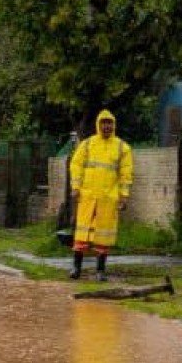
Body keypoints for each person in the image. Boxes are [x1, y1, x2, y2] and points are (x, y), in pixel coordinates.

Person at [66, 110, 134, 281]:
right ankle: (76, 268)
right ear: (98, 124)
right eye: (103, 123)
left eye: (109, 123)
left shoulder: (122, 148)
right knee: (81, 234)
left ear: (114, 125)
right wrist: (76, 187)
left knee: (103, 236)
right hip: (87, 196)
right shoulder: (87, 145)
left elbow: (126, 174)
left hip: (108, 198)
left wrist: (124, 196)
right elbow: (76, 165)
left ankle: (100, 271)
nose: (106, 126)